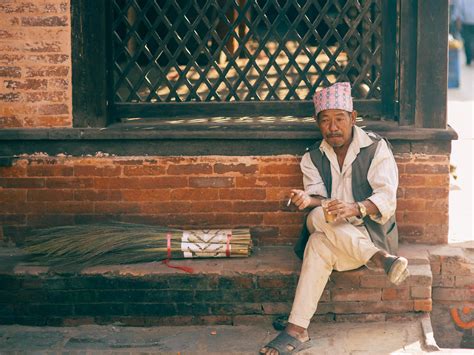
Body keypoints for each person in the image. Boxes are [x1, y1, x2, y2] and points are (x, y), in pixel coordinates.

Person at [259, 82, 409, 355]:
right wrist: (307, 199)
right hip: (355, 245)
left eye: (339, 119)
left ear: (353, 118)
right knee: (317, 215)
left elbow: (387, 199)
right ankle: (380, 259)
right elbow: (317, 200)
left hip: (366, 234)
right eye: (325, 121)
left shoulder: (376, 148)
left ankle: (296, 329)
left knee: (316, 243)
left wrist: (355, 208)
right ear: (318, 124)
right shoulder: (312, 156)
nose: (333, 127)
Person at [453, 0, 474, 65]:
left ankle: (470, 58)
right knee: (467, 42)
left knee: (467, 42)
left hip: (467, 23)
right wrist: (459, 24)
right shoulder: (462, 1)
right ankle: (469, 59)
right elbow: (458, 14)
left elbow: (458, 13)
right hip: (466, 24)